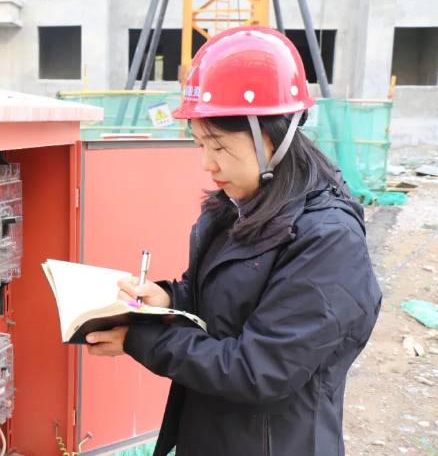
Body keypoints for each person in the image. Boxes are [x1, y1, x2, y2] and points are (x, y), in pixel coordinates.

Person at [85, 26, 382, 456]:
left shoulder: (329, 239)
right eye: (200, 144)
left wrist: (142, 340)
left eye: (219, 146)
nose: (207, 164)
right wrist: (168, 299)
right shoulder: (239, 206)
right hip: (213, 433)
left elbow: (260, 369)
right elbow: (225, 304)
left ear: (272, 136)